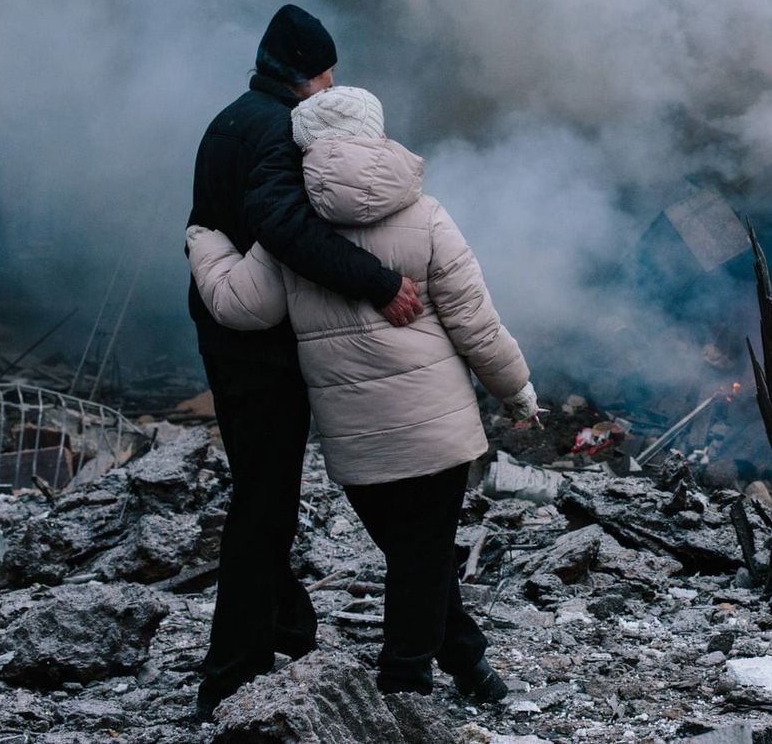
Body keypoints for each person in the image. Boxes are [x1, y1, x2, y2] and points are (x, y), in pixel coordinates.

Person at [185, 84, 539, 702]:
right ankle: (405, 684)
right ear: (377, 136)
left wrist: (205, 241)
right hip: (438, 426)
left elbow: (239, 307)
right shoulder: (426, 215)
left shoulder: (288, 237)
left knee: (414, 553)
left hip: (357, 440)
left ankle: (468, 662)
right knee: (421, 555)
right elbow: (475, 324)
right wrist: (518, 393)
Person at [186, 5, 424, 714]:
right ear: (300, 71)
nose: (329, 86)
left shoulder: (229, 118)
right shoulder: (275, 130)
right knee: (263, 506)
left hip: (226, 332)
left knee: (262, 492)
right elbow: (285, 225)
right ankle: (230, 673)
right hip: (259, 347)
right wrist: (379, 282)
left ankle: (287, 628)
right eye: (324, 73)